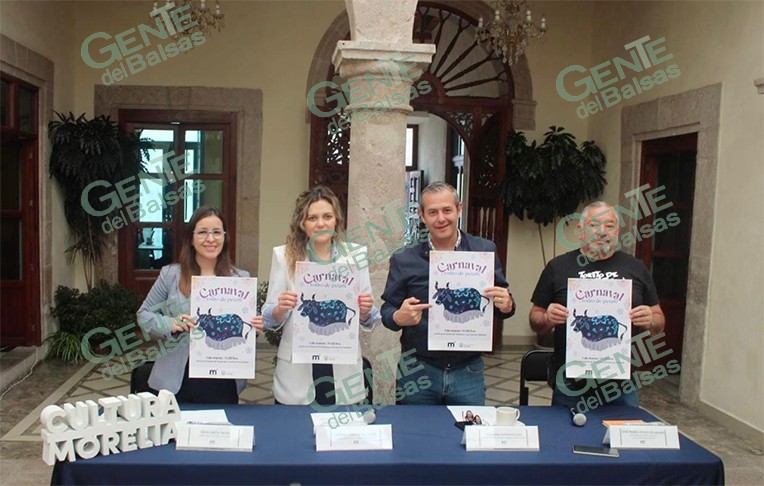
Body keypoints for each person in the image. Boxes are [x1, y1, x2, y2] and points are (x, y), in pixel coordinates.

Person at [381, 182, 515, 405]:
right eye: (433, 212)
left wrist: (507, 304)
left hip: (468, 369)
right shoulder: (404, 258)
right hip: (417, 369)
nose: (441, 219)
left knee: (468, 427)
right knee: (414, 428)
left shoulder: (484, 250)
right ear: (422, 216)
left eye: (447, 210)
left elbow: (503, 304)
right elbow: (387, 310)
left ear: (459, 209)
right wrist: (397, 316)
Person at [529, 201, 666, 408]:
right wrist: (547, 318)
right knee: (565, 429)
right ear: (580, 230)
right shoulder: (557, 267)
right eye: (594, 225)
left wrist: (651, 321)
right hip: (570, 383)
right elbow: (535, 319)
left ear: (617, 231)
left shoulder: (636, 268)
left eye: (609, 225)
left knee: (622, 430)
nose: (602, 231)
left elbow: (659, 321)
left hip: (621, 384)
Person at [262, 186, 380, 405]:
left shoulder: (355, 256)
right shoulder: (283, 256)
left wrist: (365, 311)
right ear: (302, 223)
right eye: (312, 218)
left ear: (336, 220)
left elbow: (370, 317)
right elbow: (268, 318)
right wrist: (280, 309)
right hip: (297, 371)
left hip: (342, 365)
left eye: (327, 216)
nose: (321, 224)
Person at [137, 206, 262, 404]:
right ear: (191, 238)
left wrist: (255, 327)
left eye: (217, 232)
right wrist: (170, 324)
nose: (210, 239)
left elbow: (249, 326)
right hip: (176, 378)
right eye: (203, 232)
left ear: (224, 237)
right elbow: (143, 315)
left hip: (223, 377)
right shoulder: (171, 275)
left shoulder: (241, 279)